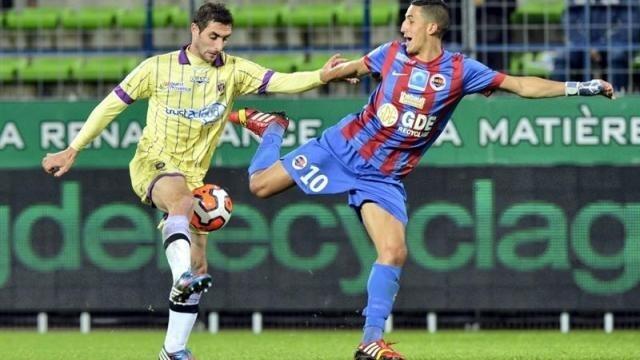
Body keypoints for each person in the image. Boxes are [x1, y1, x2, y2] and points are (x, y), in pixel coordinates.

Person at [228, 1, 614, 359]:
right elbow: (355, 68)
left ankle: (370, 341)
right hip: (341, 149)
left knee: (394, 252)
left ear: (432, 27)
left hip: (383, 177)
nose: (402, 26)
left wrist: (582, 87)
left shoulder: (461, 71)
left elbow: (522, 86)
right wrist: (333, 72)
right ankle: (273, 127)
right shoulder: (390, 53)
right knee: (260, 186)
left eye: (410, 20)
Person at [41, 3, 349, 360]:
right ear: (194, 30)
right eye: (213, 36)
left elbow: (281, 81)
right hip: (152, 164)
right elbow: (111, 105)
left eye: (225, 38)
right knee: (182, 209)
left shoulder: (233, 71)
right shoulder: (156, 68)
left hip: (192, 179)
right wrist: (73, 148)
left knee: (200, 267)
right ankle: (181, 276)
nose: (219, 45)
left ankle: (173, 350)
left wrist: (322, 76)